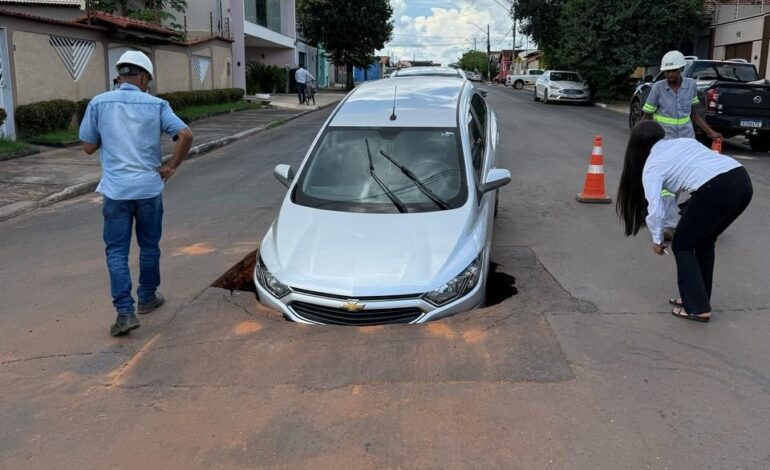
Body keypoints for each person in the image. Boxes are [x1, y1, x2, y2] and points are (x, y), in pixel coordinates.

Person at [79, 50, 194, 336]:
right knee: (149, 246)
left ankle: (124, 313)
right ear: (143, 78)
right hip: (148, 189)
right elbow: (186, 135)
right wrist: (172, 167)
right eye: (148, 81)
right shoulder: (156, 105)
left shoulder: (98, 103)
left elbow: (88, 146)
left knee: (116, 251)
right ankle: (147, 297)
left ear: (120, 76)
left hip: (116, 191)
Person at [616, 121, 752, 323]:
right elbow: (686, 179)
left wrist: (657, 238)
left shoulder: (652, 165)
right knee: (704, 241)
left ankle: (697, 308)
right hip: (741, 180)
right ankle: (697, 297)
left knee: (682, 245)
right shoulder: (683, 142)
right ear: (660, 135)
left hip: (715, 188)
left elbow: (655, 207)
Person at [641, 50, 724, 241]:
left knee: (687, 182)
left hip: (686, 141)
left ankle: (681, 218)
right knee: (666, 185)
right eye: (667, 72)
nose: (670, 75)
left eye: (674, 71)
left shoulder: (691, 86)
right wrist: (640, 138)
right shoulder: (658, 88)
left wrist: (710, 132)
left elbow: (694, 113)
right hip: (664, 142)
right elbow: (647, 114)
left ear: (681, 69)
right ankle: (668, 225)